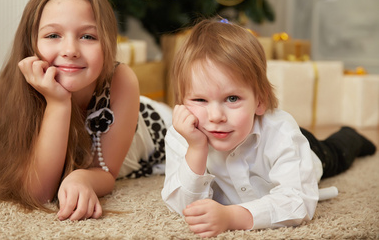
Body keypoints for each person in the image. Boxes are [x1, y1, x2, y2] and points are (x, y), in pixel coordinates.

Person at [0, 0, 171, 221]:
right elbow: (40, 191)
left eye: (87, 36)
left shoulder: (121, 79)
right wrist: (58, 102)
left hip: (155, 125)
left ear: (107, 44)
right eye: (53, 35)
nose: (70, 50)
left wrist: (82, 177)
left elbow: (106, 172)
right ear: (31, 43)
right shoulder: (17, 84)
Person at [161, 18, 376, 237]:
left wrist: (233, 217)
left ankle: (351, 136)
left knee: (337, 153)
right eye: (199, 100)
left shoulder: (281, 133)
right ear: (181, 102)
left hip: (309, 150)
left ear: (260, 100)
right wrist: (196, 150)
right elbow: (181, 206)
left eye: (232, 98)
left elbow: (298, 202)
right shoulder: (181, 136)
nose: (215, 116)